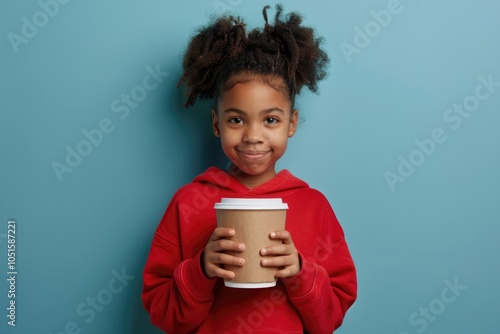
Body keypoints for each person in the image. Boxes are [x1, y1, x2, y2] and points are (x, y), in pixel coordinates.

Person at [142, 5, 357, 333]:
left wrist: (299, 271)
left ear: (291, 123)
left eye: (271, 120)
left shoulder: (315, 207)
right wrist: (201, 269)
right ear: (216, 123)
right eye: (236, 119)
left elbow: (329, 319)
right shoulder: (188, 204)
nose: (253, 136)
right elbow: (164, 314)